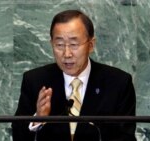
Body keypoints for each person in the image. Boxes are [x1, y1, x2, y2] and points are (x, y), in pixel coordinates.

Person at [12, 10, 136, 141]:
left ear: (91, 45)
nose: (67, 54)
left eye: (74, 44)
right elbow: (18, 135)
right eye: (59, 45)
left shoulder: (118, 83)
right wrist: (37, 119)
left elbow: (125, 136)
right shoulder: (35, 81)